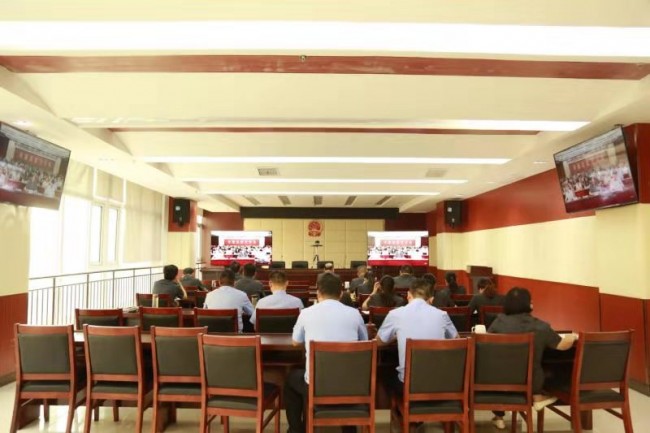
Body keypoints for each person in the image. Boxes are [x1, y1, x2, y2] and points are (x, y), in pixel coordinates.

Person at [285, 273, 368, 433]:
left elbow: (295, 342)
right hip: (350, 385)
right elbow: (364, 344)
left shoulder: (306, 313)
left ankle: (296, 430)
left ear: (318, 292)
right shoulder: (354, 314)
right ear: (341, 293)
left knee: (291, 379)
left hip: (317, 386)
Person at [488, 287, 577, 429]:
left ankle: (499, 415)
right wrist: (572, 337)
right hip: (529, 383)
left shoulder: (498, 322)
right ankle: (537, 396)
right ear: (529, 304)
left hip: (498, 382)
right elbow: (561, 345)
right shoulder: (540, 326)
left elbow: (487, 345)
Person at [377, 278, 458, 392]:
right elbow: (457, 341)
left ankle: (397, 402)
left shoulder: (395, 314)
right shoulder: (442, 315)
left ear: (408, 295)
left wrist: (395, 337)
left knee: (384, 371)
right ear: (431, 299)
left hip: (409, 384)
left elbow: (378, 342)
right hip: (439, 382)